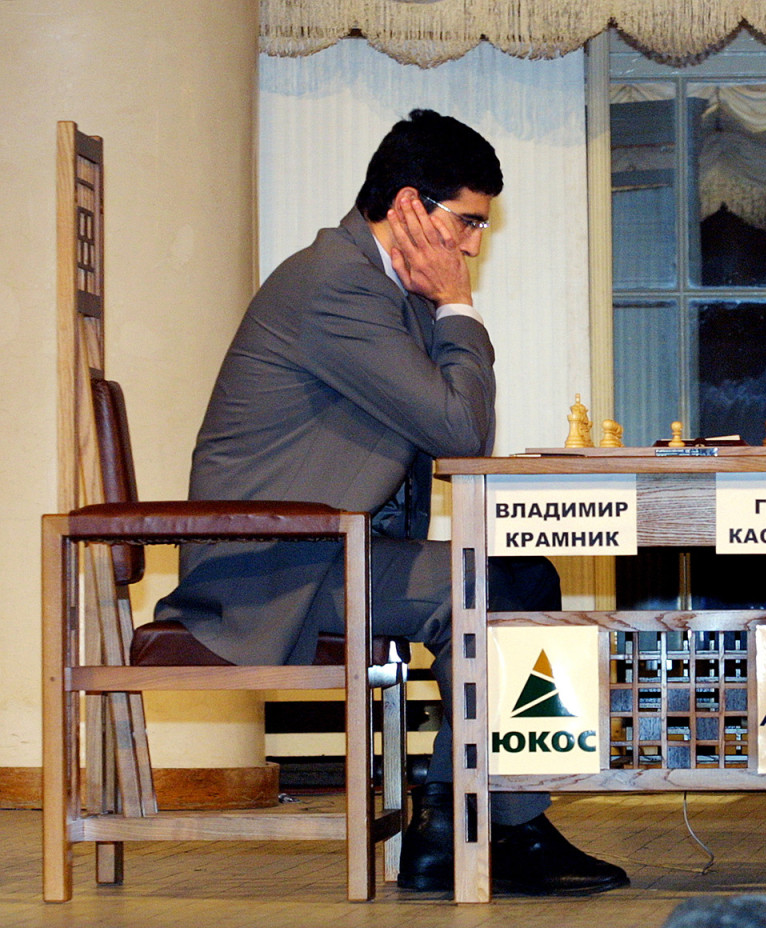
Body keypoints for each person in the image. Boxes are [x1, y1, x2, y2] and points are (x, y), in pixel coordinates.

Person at [155, 109, 627, 897]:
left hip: (321, 553)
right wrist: (459, 305)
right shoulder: (337, 284)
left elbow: (450, 433)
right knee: (491, 587)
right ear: (412, 205)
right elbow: (461, 429)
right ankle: (486, 830)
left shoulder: (376, 286)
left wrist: (444, 310)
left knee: (523, 577)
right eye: (469, 222)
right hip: (271, 570)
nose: (472, 245)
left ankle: (463, 827)